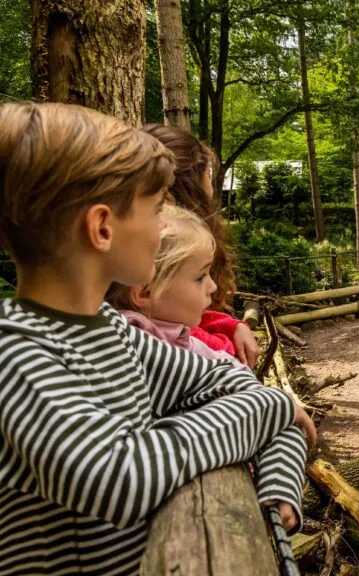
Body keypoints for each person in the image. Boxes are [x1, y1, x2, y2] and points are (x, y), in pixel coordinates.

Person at [0, 102, 314, 575]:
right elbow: (119, 478)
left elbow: (234, 384)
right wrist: (273, 408)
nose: (165, 224)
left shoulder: (113, 333)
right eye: (154, 210)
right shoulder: (17, 357)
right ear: (102, 228)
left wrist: (276, 484)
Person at [141, 124, 258, 369]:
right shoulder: (157, 245)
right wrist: (225, 347)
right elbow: (175, 334)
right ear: (191, 185)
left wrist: (228, 324)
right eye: (209, 176)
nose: (212, 188)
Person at [107, 205, 247, 371]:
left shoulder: (173, 333)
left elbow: (223, 363)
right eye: (200, 277)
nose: (213, 286)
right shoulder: (135, 340)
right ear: (146, 293)